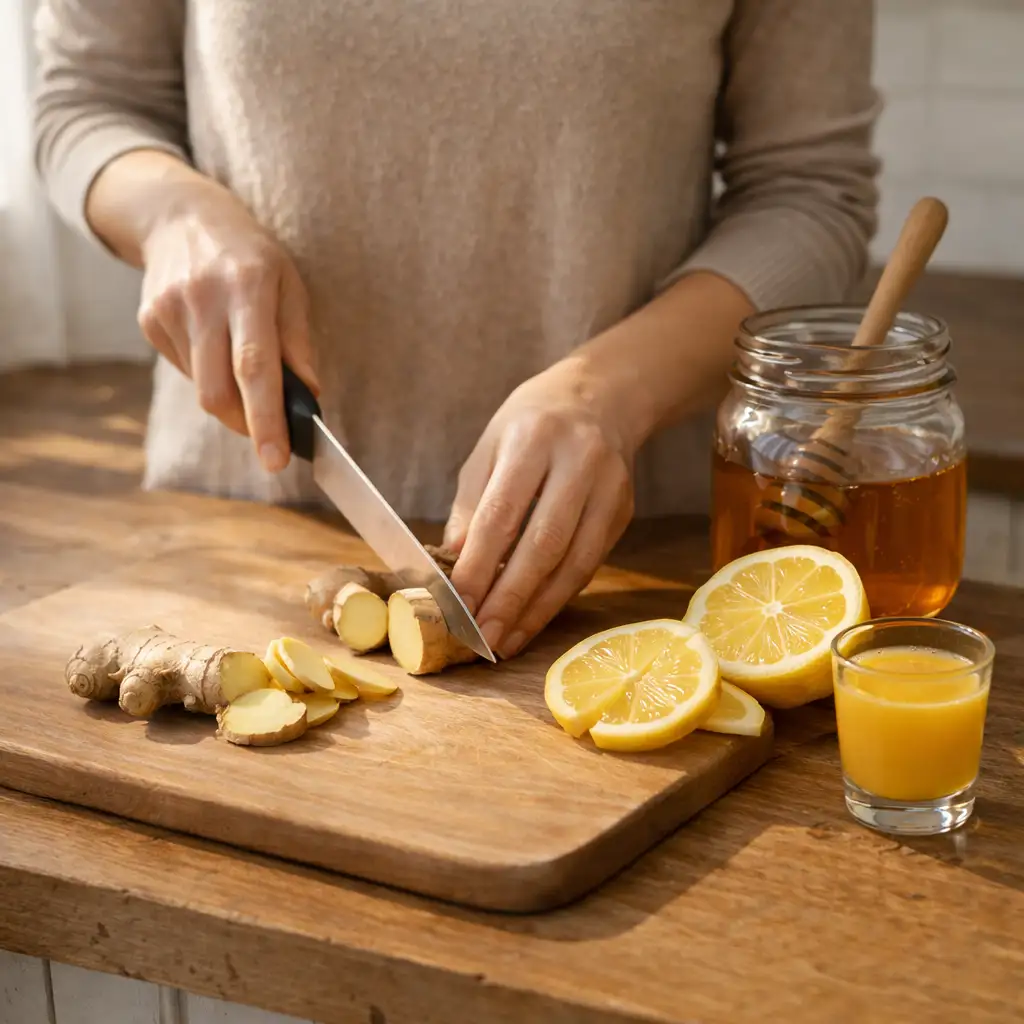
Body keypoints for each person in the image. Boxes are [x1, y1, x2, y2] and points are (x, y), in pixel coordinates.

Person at [33, 1, 880, 659]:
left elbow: (811, 194)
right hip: (238, 525)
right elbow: (86, 102)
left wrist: (613, 390)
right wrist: (172, 213)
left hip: (627, 565)